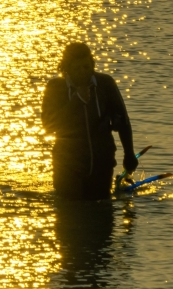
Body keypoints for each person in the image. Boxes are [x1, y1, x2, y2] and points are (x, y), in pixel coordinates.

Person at [39, 42, 138, 200]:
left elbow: (124, 121)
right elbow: (48, 126)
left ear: (92, 64)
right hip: (67, 165)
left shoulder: (105, 84)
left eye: (87, 67)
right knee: (69, 211)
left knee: (101, 211)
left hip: (102, 162)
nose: (83, 72)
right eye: (77, 68)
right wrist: (76, 101)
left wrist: (129, 153)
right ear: (66, 68)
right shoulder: (55, 88)